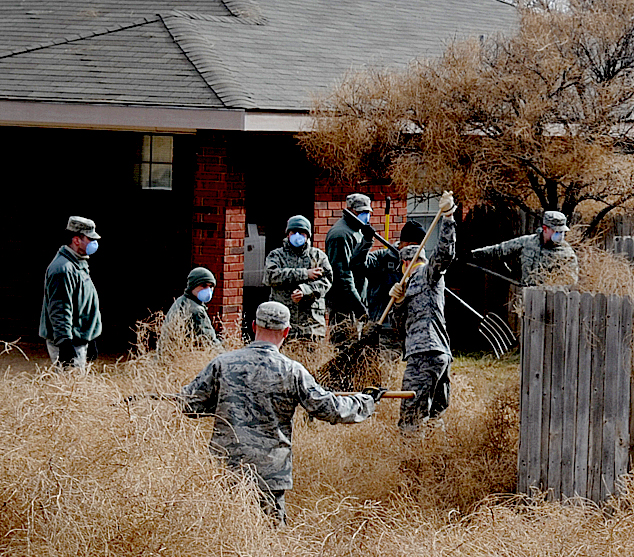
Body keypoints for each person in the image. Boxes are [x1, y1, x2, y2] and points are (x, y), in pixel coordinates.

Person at [181, 299, 379, 525]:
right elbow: (329, 408)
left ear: (254, 326)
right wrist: (366, 401)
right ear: (287, 331)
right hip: (270, 475)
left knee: (225, 536)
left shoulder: (222, 364)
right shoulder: (292, 371)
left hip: (226, 470)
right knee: (271, 540)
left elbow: (189, 405)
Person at [394, 197, 456, 428]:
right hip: (437, 354)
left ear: (408, 261)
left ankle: (412, 462)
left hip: (424, 355)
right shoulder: (408, 284)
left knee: (411, 418)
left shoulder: (428, 275)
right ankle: (435, 460)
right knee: (434, 416)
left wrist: (448, 218)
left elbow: (444, 255)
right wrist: (399, 303)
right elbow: (402, 329)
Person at [39, 214, 102, 370]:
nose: (94, 243)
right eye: (90, 239)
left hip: (80, 339)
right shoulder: (63, 269)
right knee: (71, 387)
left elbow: (85, 301)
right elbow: (60, 308)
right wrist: (65, 343)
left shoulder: (78, 263)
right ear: (76, 240)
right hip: (70, 343)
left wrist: (91, 336)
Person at [324, 194, 384, 347]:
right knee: (344, 347)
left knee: (356, 345)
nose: (365, 216)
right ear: (349, 210)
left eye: (368, 212)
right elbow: (342, 275)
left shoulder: (357, 231)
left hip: (357, 297)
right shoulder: (341, 235)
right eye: (361, 212)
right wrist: (358, 306)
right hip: (344, 303)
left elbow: (360, 264)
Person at [264, 214, 332, 347]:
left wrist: (305, 291)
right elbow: (270, 276)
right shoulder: (276, 255)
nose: (297, 235)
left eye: (301, 232)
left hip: (311, 325)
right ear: (287, 234)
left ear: (307, 235)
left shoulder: (318, 256)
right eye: (293, 232)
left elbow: (326, 280)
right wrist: (304, 274)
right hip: (282, 322)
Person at [473, 210, 578, 288]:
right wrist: (472, 254)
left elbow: (570, 283)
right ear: (545, 229)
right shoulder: (528, 243)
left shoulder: (567, 254)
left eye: (562, 232)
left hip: (549, 303)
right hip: (525, 299)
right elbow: (500, 249)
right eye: (556, 231)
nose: (560, 235)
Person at [161, 267, 220, 352]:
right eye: (203, 285)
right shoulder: (196, 310)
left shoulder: (181, 301)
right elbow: (210, 341)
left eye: (211, 286)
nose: (208, 290)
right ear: (193, 286)